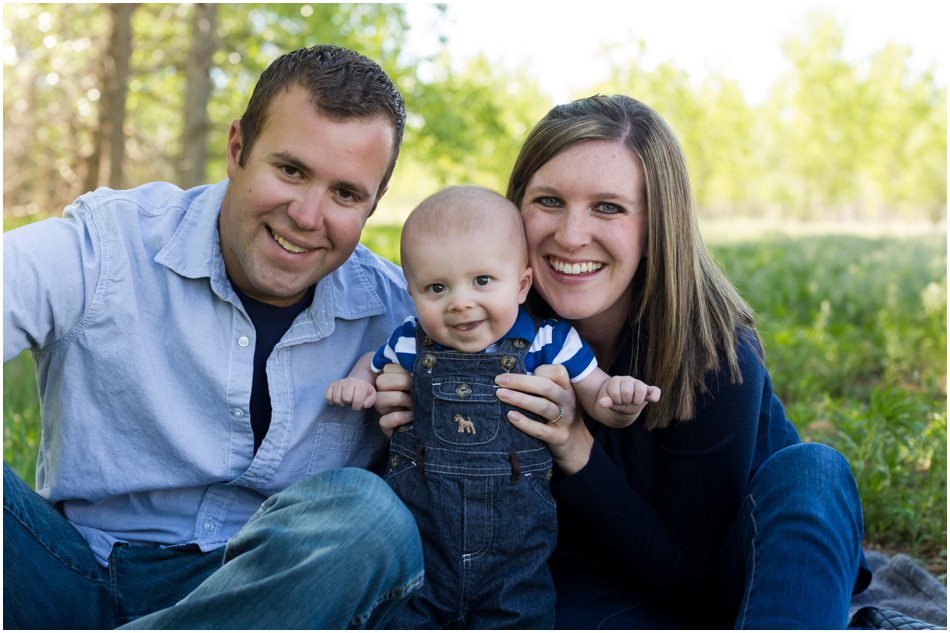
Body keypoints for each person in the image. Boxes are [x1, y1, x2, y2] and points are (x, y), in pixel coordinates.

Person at [374, 95, 874, 629]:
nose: (570, 236)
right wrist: (409, 415)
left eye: (608, 207)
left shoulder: (714, 353)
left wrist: (575, 447)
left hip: (732, 581)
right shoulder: (478, 327)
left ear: (657, 223)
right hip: (584, 588)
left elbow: (695, 586)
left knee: (816, 470)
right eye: (549, 201)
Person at [3, 45, 423, 629]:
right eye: (291, 170)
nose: (307, 214)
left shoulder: (401, 316)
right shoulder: (112, 245)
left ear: (373, 205)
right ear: (237, 151)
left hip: (270, 595)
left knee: (371, 518)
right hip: (70, 575)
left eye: (345, 193)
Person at [325, 185, 660, 628]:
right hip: (421, 554)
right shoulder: (410, 339)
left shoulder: (549, 341)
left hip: (515, 561)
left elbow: (596, 392)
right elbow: (375, 360)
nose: (460, 302)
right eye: (437, 287)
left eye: (482, 281)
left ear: (521, 284)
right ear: (412, 293)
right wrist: (358, 381)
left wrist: (620, 401)